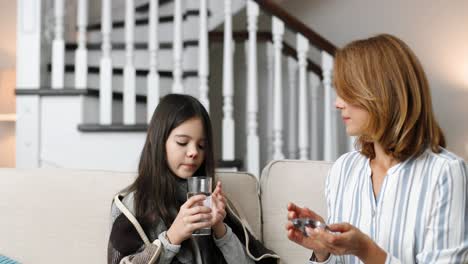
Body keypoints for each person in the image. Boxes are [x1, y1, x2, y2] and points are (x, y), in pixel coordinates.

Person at [286, 34, 467, 263]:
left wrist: (366, 250)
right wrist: (323, 250)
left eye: (348, 92)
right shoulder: (343, 169)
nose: (338, 103)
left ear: (382, 94)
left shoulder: (446, 173)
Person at [108, 94, 279, 264]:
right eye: (182, 142)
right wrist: (171, 238)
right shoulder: (130, 206)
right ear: (159, 142)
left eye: (201, 145)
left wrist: (221, 229)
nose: (194, 152)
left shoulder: (213, 200)